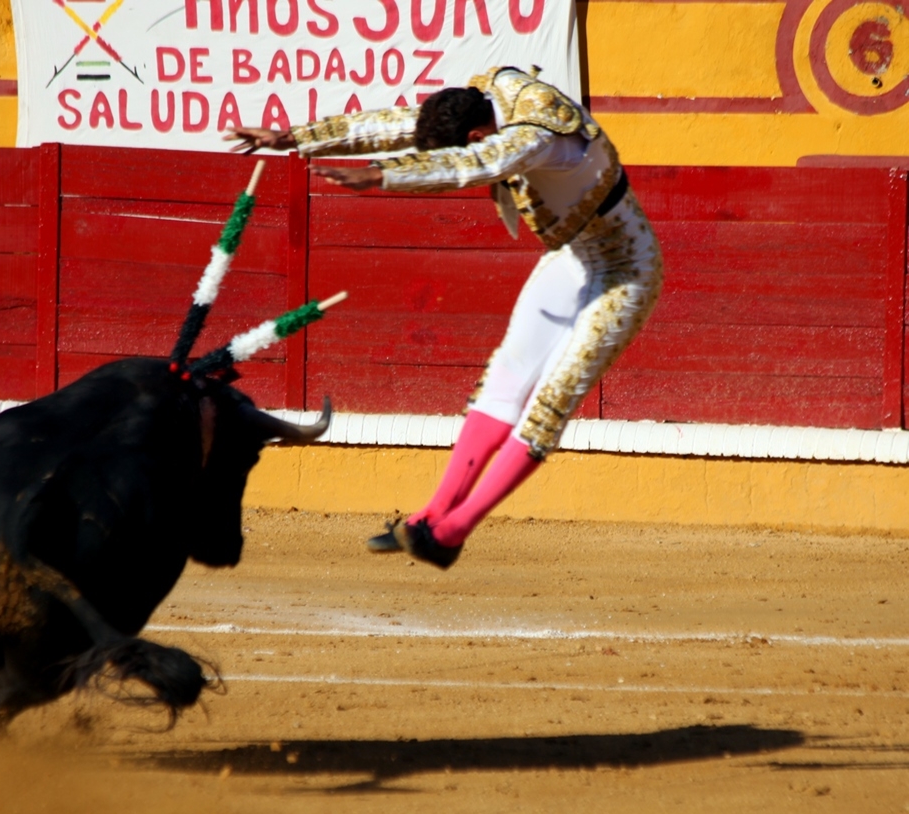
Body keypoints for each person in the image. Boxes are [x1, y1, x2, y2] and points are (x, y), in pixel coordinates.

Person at [225, 65, 663, 569]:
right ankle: (428, 518)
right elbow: (398, 123)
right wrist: (292, 137)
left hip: (626, 269)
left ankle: (452, 530)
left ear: (477, 130)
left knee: (549, 401)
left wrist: (383, 174)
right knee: (503, 380)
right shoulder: (490, 98)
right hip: (570, 256)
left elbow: (473, 164)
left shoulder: (540, 133)